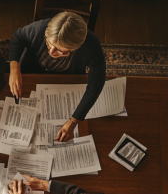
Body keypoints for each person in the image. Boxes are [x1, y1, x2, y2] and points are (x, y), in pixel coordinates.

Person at [8, 11, 106, 142]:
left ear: (76, 48)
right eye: (49, 44)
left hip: (65, 80)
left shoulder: (91, 46)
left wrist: (74, 120)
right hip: (31, 71)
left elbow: (96, 85)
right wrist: (14, 68)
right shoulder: (40, 28)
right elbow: (18, 37)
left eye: (61, 51)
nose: (51, 52)